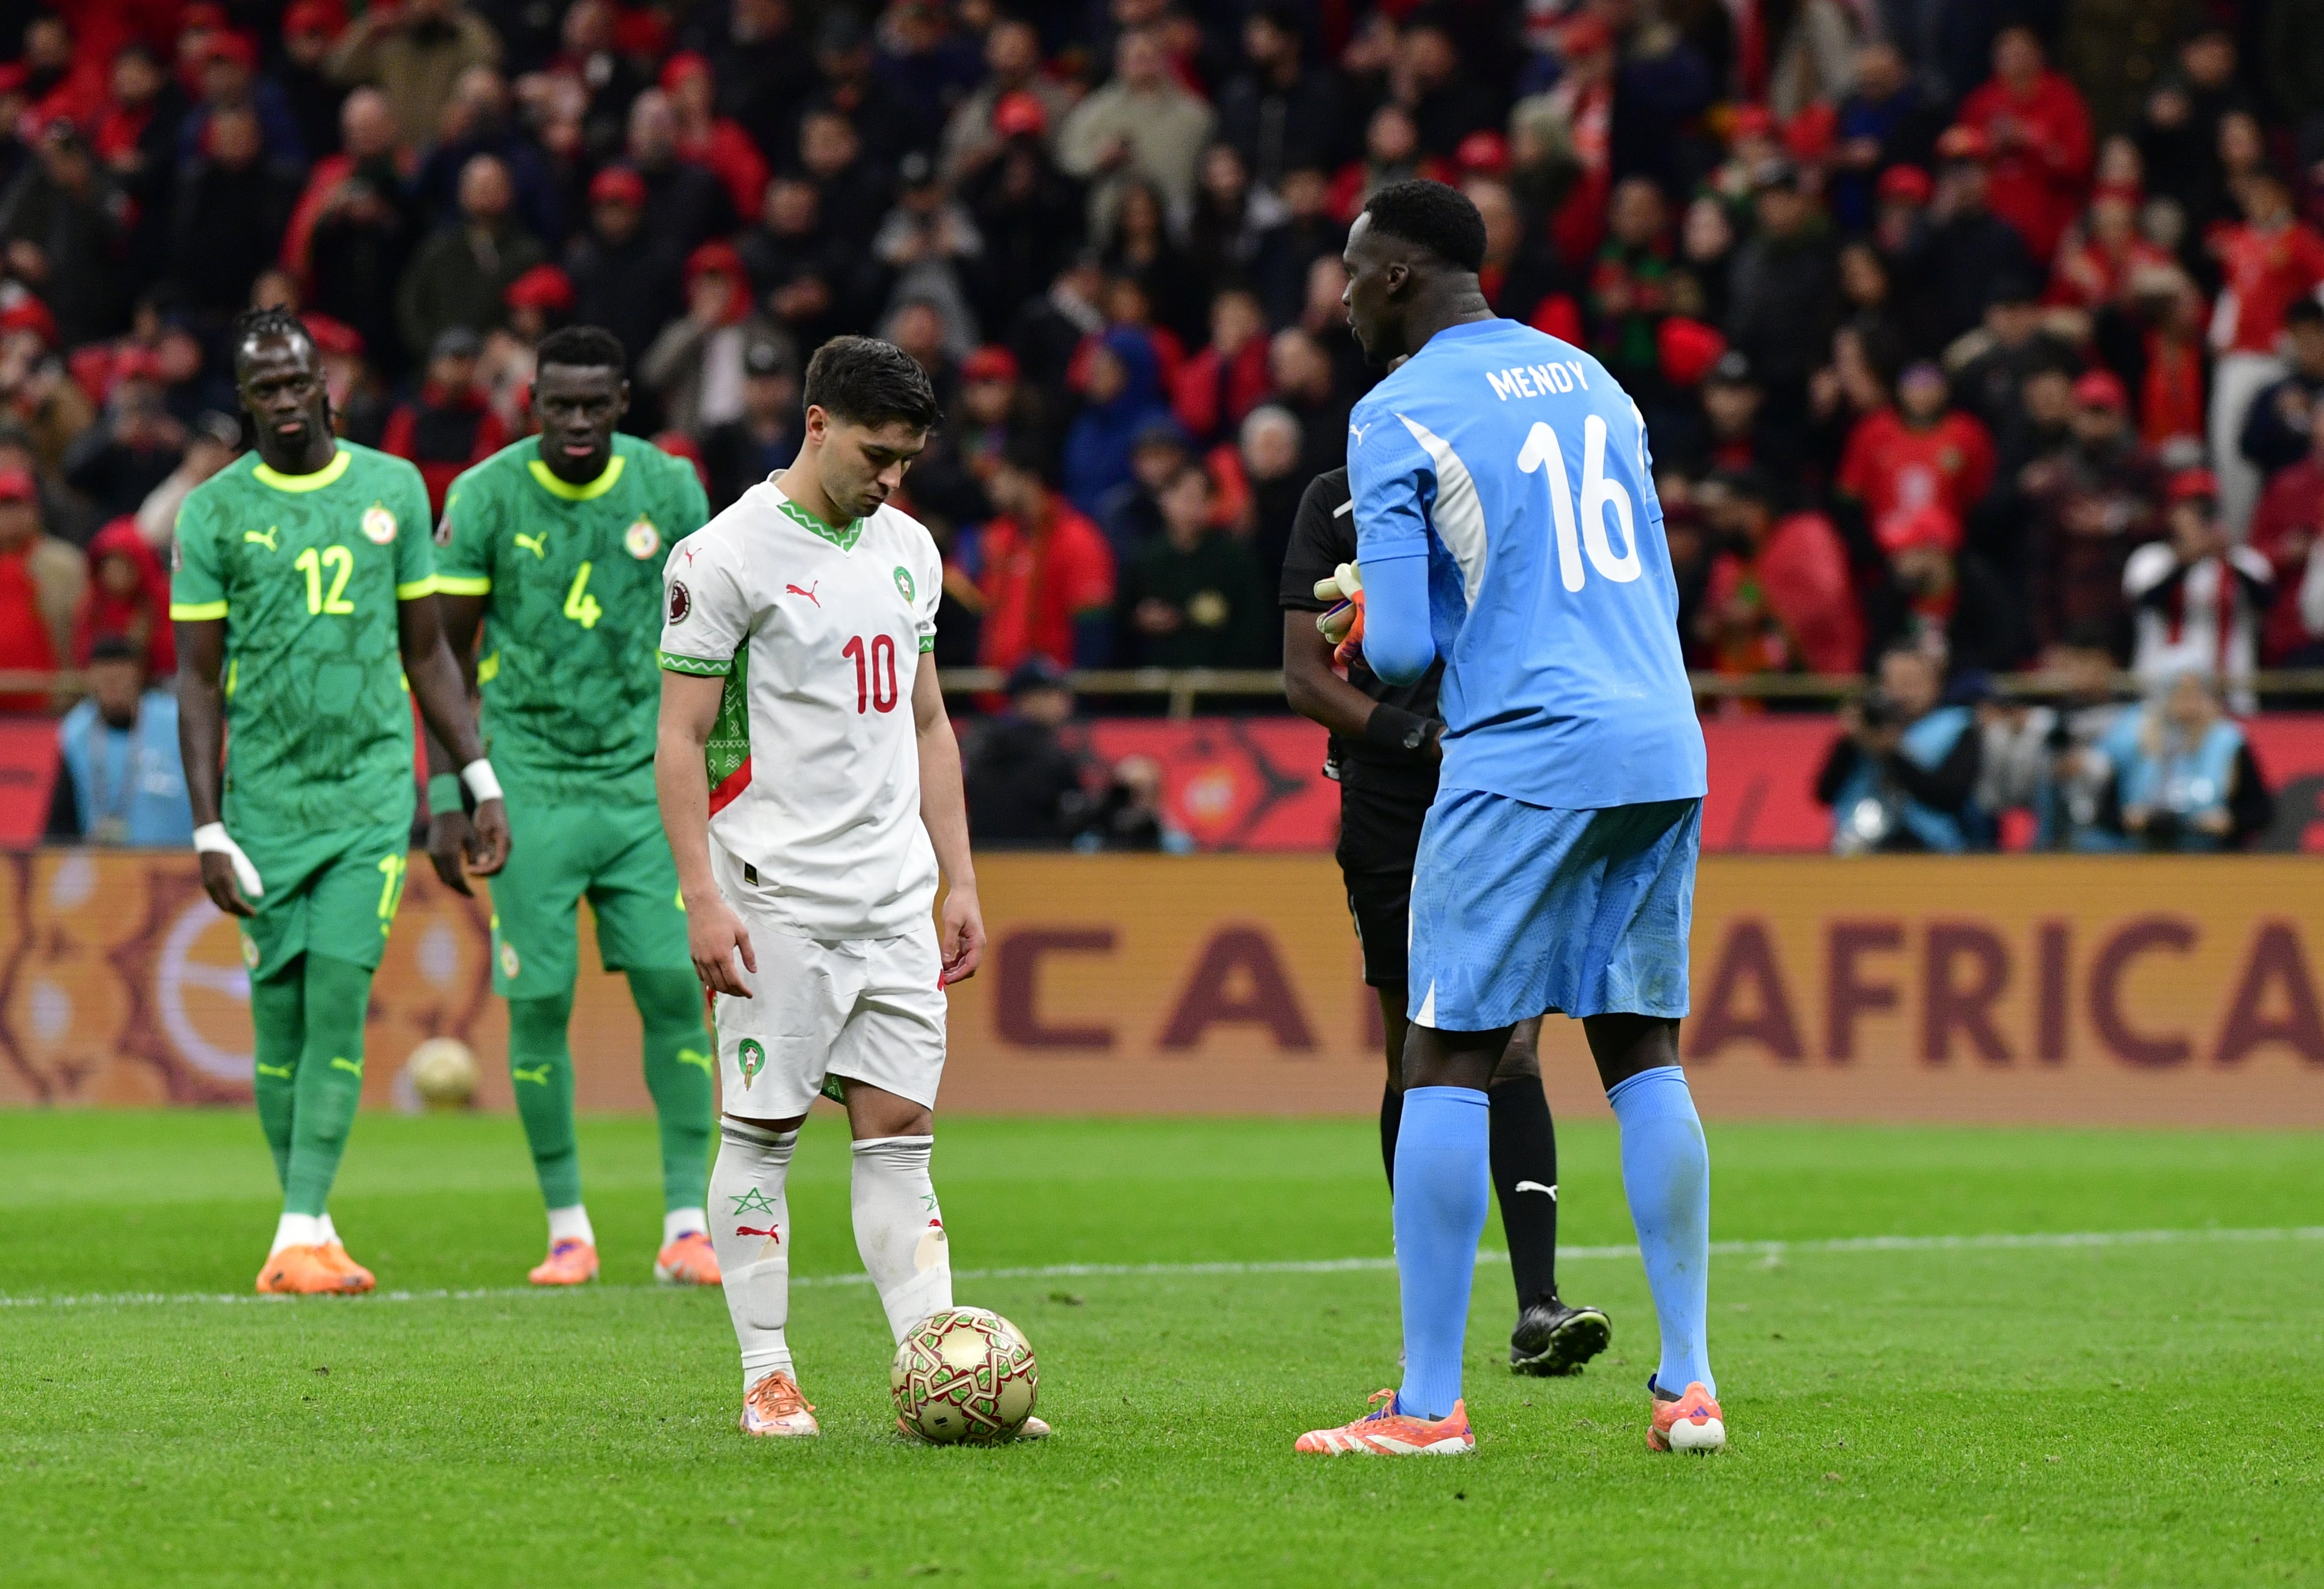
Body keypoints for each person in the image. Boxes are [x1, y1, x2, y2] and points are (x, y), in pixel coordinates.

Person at [1297, 181, 1717, 1458]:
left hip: (1528, 747)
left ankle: (1427, 1406)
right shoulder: (1595, 380)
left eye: (1358, 273)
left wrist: (1363, 625)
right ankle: (1688, 1385)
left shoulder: (1396, 410)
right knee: (1641, 1046)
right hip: (1662, 737)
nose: (1345, 295)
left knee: (1445, 1052)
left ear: (1405, 278)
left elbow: (1414, 645)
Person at [653, 335, 1048, 1443]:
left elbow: (927, 722)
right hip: (773, 894)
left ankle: (944, 1364)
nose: (890, 478)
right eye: (876, 453)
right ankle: (767, 1374)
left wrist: (957, 877)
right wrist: (700, 894)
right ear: (816, 422)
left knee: (900, 1133)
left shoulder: (910, 547)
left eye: (908, 460)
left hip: (891, 902)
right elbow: (678, 741)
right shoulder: (721, 555)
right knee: (763, 1132)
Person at [171, 306, 509, 1296]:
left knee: (336, 997)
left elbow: (429, 652)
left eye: (296, 382)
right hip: (265, 801)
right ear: (244, 402)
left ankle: (302, 1223)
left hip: (367, 792)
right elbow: (196, 681)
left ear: (330, 384)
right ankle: (302, 1228)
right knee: (277, 1022)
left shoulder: (391, 487)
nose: (284, 402)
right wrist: (207, 825)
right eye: (263, 389)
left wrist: (475, 775)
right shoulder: (214, 512)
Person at [1281, 459, 1610, 1381]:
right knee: (1414, 1056)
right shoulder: (1333, 501)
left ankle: (1537, 1305)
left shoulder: (1511, 483)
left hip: (1508, 791)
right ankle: (1431, 1308)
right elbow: (1305, 677)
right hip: (1389, 801)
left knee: (1512, 1049)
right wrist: (1415, 736)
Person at [428, 324, 719, 1289]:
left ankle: (688, 1226)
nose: (581, 422)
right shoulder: (485, 497)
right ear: (535, 405)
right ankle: (568, 1230)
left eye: (598, 405)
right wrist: (449, 790)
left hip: (645, 787)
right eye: (564, 406)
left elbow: (717, 637)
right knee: (539, 1002)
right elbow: (443, 659)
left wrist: (729, 770)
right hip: (532, 784)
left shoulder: (671, 487)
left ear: (624, 401)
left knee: (676, 993)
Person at [2124, 469, 2276, 708]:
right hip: (2159, 699)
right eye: (2190, 509)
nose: (2199, 518)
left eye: (2206, 510)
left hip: (2232, 696)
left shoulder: (2246, 561)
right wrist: (2187, 559)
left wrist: (2226, 556)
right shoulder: (2150, 559)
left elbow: (2267, 604)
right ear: (2172, 514)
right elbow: (2149, 603)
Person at [1815, 646, 1984, 853]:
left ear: (1937, 686)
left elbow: (1950, 795)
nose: (1905, 693)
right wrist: (1852, 740)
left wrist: (1892, 753)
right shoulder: (1865, 728)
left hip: (1933, 848)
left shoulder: (1956, 727)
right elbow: (1824, 794)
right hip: (1859, 845)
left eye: (1914, 683)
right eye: (1897, 683)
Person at [52, 633, 191, 844]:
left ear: (138, 676)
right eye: (106, 680)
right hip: (107, 867)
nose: (114, 688)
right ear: (90, 679)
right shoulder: (76, 732)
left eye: (121, 678)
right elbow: (62, 821)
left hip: (177, 864)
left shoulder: (176, 722)